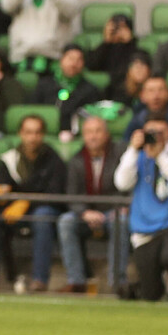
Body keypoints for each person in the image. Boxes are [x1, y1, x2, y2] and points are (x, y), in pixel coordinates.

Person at [0, 114, 66, 292]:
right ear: (20, 134)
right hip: (13, 212)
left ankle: (39, 280)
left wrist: (25, 202)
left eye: (37, 132)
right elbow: (2, 186)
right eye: (28, 132)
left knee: (43, 216)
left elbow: (55, 194)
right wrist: (1, 197)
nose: (33, 137)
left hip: (41, 211)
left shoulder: (53, 159)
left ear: (44, 135)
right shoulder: (10, 158)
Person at [114, 110, 168, 301]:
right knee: (150, 293)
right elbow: (121, 182)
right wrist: (133, 150)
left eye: (159, 132)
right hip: (143, 228)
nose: (155, 136)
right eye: (150, 132)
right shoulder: (137, 156)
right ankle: (158, 292)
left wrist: (161, 157)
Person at [57, 116, 128, 293]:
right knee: (66, 221)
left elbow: (129, 185)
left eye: (97, 131)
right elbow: (71, 195)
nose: (93, 136)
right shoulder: (76, 160)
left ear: (107, 134)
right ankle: (76, 281)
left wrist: (119, 208)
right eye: (88, 132)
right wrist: (84, 213)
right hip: (86, 214)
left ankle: (117, 282)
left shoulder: (121, 154)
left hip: (115, 211)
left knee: (122, 221)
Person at [30, 44, 101, 139]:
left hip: (75, 137)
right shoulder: (44, 85)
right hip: (44, 135)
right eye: (70, 58)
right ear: (61, 60)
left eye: (78, 60)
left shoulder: (90, 89)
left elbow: (92, 118)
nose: (74, 63)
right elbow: (34, 112)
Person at [124, 76, 168, 146]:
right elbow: (126, 144)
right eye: (151, 91)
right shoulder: (135, 123)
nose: (156, 96)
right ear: (142, 96)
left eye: (161, 90)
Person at [87, 14, 139, 98]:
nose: (118, 31)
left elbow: (135, 65)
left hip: (124, 89)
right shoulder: (105, 47)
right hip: (107, 90)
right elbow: (91, 65)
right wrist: (106, 41)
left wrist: (129, 42)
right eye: (115, 28)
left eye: (122, 28)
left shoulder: (134, 46)